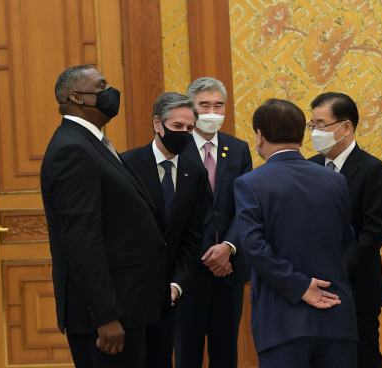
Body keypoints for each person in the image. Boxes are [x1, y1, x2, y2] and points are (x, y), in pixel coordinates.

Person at [41, 65, 166, 367]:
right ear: (76, 98)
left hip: (130, 306)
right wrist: (106, 316)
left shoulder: (90, 143)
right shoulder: (72, 149)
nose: (109, 93)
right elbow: (82, 240)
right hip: (108, 321)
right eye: (100, 87)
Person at [235, 98, 358, 368]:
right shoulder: (335, 180)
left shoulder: (249, 183)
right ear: (303, 136)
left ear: (259, 136)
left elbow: (253, 248)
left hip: (281, 321)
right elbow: (346, 237)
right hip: (335, 315)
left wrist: (300, 286)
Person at [121, 92, 208, 368]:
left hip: (169, 295)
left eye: (190, 128)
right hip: (130, 292)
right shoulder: (126, 165)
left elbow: (194, 236)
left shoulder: (195, 173)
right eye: (177, 127)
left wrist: (177, 284)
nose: (184, 133)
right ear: (157, 124)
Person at [307, 92, 382, 368]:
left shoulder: (372, 169)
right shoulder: (309, 167)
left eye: (322, 125)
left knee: (363, 359)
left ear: (346, 127)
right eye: (312, 126)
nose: (316, 132)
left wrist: (335, 271)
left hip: (357, 288)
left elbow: (374, 231)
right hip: (313, 288)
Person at [176, 77, 252, 368]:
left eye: (218, 105)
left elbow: (246, 206)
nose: (212, 111)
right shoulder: (177, 148)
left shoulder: (238, 149)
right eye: (204, 105)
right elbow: (174, 210)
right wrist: (209, 252)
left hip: (228, 270)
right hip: (188, 269)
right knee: (187, 353)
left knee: (225, 354)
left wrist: (228, 246)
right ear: (191, 108)